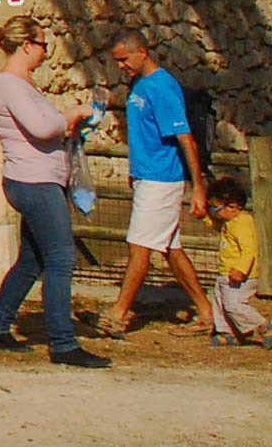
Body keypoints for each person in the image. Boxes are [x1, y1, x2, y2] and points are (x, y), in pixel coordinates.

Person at [0, 17, 108, 368]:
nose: (46, 52)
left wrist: (70, 125)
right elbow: (41, 126)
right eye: (43, 44)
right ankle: (63, 343)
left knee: (32, 260)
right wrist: (75, 112)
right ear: (27, 45)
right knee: (61, 259)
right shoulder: (10, 85)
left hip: (38, 178)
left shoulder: (22, 85)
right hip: (34, 182)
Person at [101, 30, 212, 338]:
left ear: (142, 52)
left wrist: (198, 186)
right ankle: (205, 311)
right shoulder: (139, 85)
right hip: (147, 177)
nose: (121, 66)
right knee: (170, 249)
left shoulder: (162, 87)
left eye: (124, 59)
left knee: (139, 247)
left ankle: (118, 314)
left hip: (162, 180)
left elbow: (185, 138)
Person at [204, 175, 272, 350]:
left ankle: (264, 325)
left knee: (234, 305)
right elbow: (216, 226)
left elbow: (249, 250)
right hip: (225, 273)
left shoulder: (242, 223)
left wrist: (241, 270)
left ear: (233, 206)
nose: (214, 212)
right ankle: (228, 332)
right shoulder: (230, 221)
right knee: (220, 304)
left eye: (215, 208)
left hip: (239, 276)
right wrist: (204, 216)